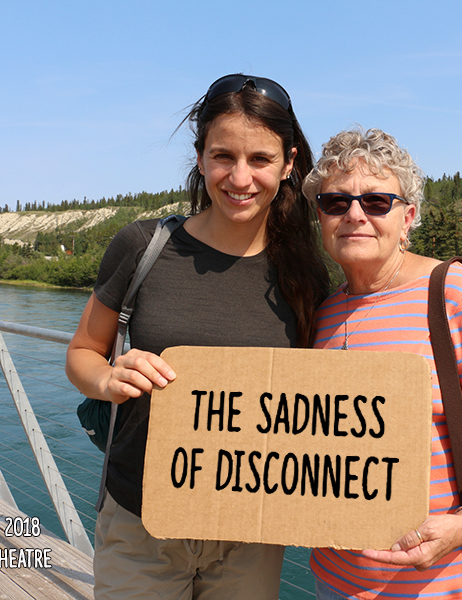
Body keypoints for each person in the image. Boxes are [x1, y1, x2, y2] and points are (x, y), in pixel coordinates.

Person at [65, 74, 330, 600]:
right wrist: (109, 379)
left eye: (260, 159)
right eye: (223, 156)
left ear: (289, 163)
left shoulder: (305, 275)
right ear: (200, 157)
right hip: (140, 519)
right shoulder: (142, 246)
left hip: (250, 533)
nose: (240, 177)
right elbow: (82, 354)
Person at [302, 128, 462, 599]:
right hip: (334, 581)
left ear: (407, 217)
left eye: (377, 201)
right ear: (321, 216)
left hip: (447, 586)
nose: (355, 214)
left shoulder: (459, 295)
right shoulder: (323, 313)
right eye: (336, 202)